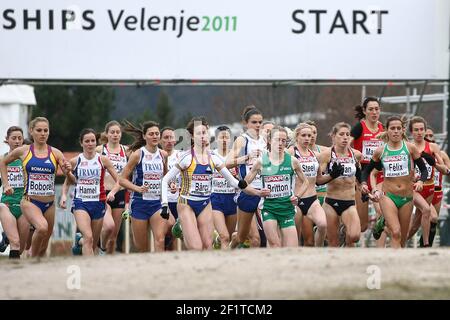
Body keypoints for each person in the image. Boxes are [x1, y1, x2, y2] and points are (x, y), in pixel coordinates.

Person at [160, 117, 267, 250]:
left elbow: (233, 182)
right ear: (192, 137)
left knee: (208, 245)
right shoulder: (186, 158)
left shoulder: (214, 158)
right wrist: (164, 205)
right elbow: (165, 180)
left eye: (205, 132)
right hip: (186, 203)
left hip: (205, 203)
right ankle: (182, 226)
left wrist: (255, 190)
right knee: (197, 247)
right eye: (199, 133)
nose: (203, 136)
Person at [0, 117, 73, 257]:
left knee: (39, 244)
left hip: (49, 204)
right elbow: (3, 162)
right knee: (41, 228)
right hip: (24, 201)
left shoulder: (55, 153)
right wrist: (6, 183)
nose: (43, 133)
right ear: (31, 131)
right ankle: (30, 256)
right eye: (39, 130)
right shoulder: (23, 152)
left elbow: (71, 179)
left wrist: (68, 171)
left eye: (46, 130)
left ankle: (33, 263)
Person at [361, 116, 431, 248]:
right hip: (388, 196)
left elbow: (423, 169)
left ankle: (398, 262)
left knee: (403, 239)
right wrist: (365, 184)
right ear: (387, 130)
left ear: (403, 130)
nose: (396, 131)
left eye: (399, 128)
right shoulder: (380, 151)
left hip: (407, 197)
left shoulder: (410, 148)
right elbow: (367, 171)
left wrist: (421, 181)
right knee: (396, 232)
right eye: (392, 128)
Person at [245, 126, 309, 247]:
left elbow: (305, 182)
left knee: (292, 249)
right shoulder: (261, 162)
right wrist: (258, 193)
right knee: (275, 245)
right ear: (269, 140)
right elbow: (244, 185)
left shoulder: (292, 161)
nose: (280, 143)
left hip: (287, 209)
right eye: (277, 140)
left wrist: (298, 196)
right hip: (269, 208)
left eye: (283, 141)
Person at [119, 121, 174, 252]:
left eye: (157, 134)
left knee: (160, 240)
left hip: (157, 203)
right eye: (151, 134)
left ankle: (161, 269)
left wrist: (171, 184)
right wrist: (137, 188)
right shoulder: (138, 154)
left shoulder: (163, 154)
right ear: (144, 136)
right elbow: (121, 180)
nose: (155, 136)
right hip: (139, 203)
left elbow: (165, 175)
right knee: (142, 247)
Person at [65, 129, 120, 256]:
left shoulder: (103, 160)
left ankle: (80, 242)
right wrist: (67, 174)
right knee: (89, 237)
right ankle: (88, 270)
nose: (90, 144)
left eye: (92, 141)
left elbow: (119, 180)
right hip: (81, 203)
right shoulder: (75, 161)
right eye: (87, 141)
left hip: (99, 202)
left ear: (96, 143)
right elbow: (70, 182)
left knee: (92, 242)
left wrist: (113, 191)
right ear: (81, 143)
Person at [289, 123, 343, 246]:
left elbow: (319, 180)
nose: (307, 138)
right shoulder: (291, 152)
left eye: (310, 135)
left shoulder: (315, 155)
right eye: (304, 135)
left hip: (312, 199)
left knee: (323, 224)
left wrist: (332, 175)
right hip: (295, 199)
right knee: (295, 237)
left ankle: (318, 252)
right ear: (297, 136)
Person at [226, 106, 267, 249]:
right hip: (248, 190)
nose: (258, 125)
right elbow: (227, 164)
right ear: (246, 123)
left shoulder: (265, 140)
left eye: (260, 122)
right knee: (243, 237)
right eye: (254, 122)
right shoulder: (242, 140)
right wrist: (246, 157)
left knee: (259, 239)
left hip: (265, 190)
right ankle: (231, 245)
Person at [406, 117, 447, 247]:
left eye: (421, 129)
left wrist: (433, 162)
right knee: (430, 214)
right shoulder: (407, 147)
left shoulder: (433, 147)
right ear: (411, 132)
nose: (419, 132)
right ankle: (426, 244)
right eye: (416, 130)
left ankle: (399, 243)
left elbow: (445, 170)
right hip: (414, 188)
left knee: (414, 226)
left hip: (430, 187)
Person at [320, 122, 363, 247]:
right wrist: (331, 175)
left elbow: (359, 177)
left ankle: (345, 231)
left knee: (354, 236)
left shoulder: (356, 155)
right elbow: (318, 180)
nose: (345, 137)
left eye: (348, 135)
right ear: (333, 136)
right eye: (341, 134)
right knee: (333, 242)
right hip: (331, 202)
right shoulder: (327, 155)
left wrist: (364, 188)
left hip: (349, 201)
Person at [351, 97, 384, 233]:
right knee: (362, 226)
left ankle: (379, 231)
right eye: (371, 109)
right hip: (361, 176)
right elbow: (345, 146)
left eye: (377, 109)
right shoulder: (360, 127)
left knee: (381, 212)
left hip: (377, 175)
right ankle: (344, 231)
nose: (374, 112)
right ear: (364, 111)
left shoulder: (383, 128)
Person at [96, 121, 129, 254]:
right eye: (112, 132)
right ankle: (99, 249)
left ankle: (109, 260)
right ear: (107, 134)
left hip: (119, 194)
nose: (115, 135)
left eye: (118, 132)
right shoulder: (99, 150)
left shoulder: (126, 150)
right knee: (108, 227)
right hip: (104, 193)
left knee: (114, 236)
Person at [0, 126, 30, 258]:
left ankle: (6, 238)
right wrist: (5, 185)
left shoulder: (28, 160)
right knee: (15, 243)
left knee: (22, 249)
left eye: (20, 138)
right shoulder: (2, 159)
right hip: (7, 204)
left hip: (24, 205)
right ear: (7, 140)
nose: (17, 141)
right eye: (14, 138)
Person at [211, 126, 238, 249]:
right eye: (221, 137)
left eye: (227, 137)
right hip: (216, 197)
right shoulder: (211, 155)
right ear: (216, 139)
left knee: (231, 235)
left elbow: (244, 177)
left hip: (232, 198)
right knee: (225, 236)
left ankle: (222, 250)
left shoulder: (235, 156)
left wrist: (236, 175)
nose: (224, 140)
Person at [159, 127, 181, 250]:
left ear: (175, 140)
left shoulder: (180, 155)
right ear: (161, 140)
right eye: (166, 137)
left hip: (177, 201)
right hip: (163, 200)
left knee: (176, 233)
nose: (169, 140)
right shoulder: (158, 155)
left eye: (171, 137)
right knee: (166, 231)